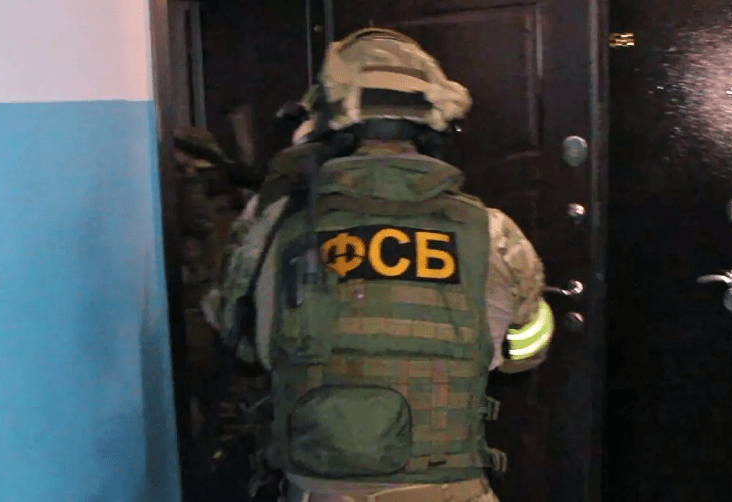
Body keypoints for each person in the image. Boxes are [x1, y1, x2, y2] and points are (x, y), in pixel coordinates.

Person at [216, 28, 555, 502]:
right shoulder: (492, 232)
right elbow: (527, 350)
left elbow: (238, 339)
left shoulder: (274, 225)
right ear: (433, 128)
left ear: (326, 128)